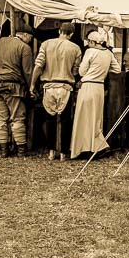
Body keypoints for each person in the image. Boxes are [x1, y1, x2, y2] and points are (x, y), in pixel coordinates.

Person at [31, 22, 83, 160]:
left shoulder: (46, 44)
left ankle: (51, 151)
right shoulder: (76, 48)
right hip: (66, 87)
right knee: (65, 120)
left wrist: (32, 85)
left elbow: (38, 66)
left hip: (48, 86)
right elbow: (75, 71)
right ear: (71, 34)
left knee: (50, 119)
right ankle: (64, 153)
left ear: (59, 31)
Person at [71, 29, 121, 159]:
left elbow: (82, 72)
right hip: (99, 87)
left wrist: (92, 71)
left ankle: (84, 148)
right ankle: (96, 146)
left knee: (84, 118)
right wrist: (102, 70)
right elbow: (117, 69)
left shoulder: (90, 51)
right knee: (96, 118)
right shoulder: (108, 53)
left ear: (93, 42)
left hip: (88, 86)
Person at [0, 28, 34, 157]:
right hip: (13, 87)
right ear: (25, 35)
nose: (30, 41)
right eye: (30, 38)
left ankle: (4, 150)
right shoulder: (24, 47)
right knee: (18, 117)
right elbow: (28, 72)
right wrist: (31, 88)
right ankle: (21, 150)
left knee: (0, 119)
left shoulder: (1, 41)